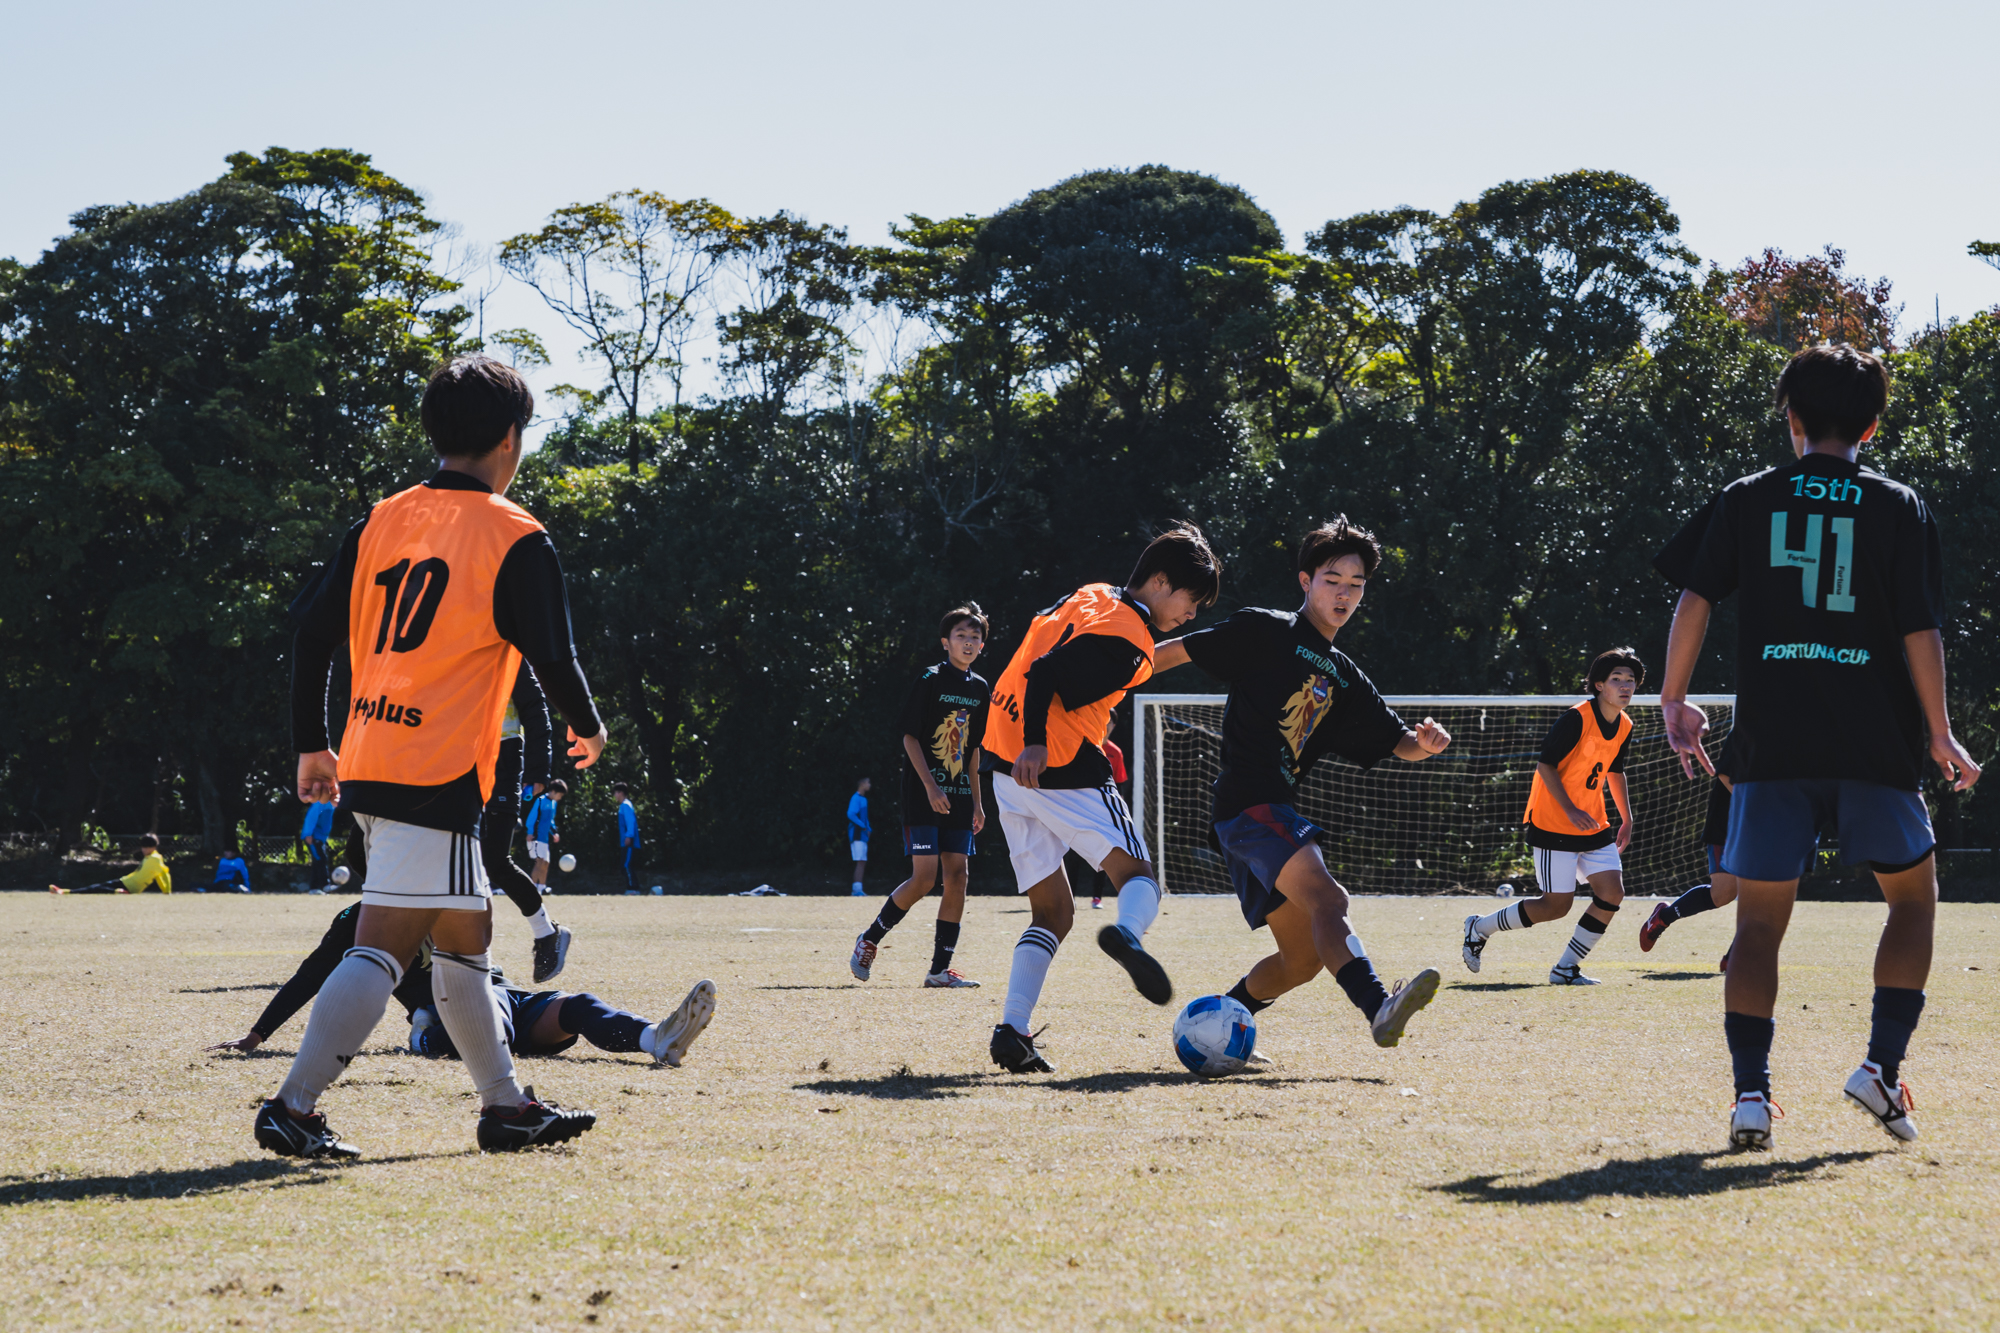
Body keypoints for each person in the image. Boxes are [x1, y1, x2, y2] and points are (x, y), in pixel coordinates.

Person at [257, 354, 607, 1159]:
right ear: (511, 437)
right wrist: (589, 726)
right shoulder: (514, 533)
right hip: (439, 769)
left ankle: (506, 1106)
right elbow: (553, 656)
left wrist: (313, 741)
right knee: (383, 944)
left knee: (465, 934)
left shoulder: (381, 518)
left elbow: (311, 633)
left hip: (371, 755)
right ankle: (293, 1106)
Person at [1656, 344, 1980, 1151]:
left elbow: (1695, 596)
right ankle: (1879, 1066)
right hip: (1874, 742)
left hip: (1775, 744)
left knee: (1759, 924)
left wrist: (1673, 698)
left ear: (1792, 417)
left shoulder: (1748, 496)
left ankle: (1751, 1096)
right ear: (1872, 425)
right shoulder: (1899, 504)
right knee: (1914, 901)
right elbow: (1921, 628)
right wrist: (1940, 730)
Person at [1153, 519, 1449, 1052]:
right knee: (1328, 898)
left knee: (1302, 960)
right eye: (1332, 580)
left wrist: (1424, 743)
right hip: (1250, 805)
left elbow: (1397, 742)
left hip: (1260, 816)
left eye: (1355, 584)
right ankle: (1379, 1006)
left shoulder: (1345, 677)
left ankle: (1211, 1026)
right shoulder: (1265, 630)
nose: (1343, 593)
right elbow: (1168, 654)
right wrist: (1094, 686)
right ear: (1305, 581)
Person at [982, 523, 1220, 1074]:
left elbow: (1051, 650)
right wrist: (1039, 741)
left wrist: (1197, 647)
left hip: (1004, 763)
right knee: (1138, 876)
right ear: (1160, 582)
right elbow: (1048, 672)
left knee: (1053, 912)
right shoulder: (1128, 640)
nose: (1191, 613)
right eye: (1191, 600)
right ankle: (1128, 934)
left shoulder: (1093, 595)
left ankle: (1012, 1031)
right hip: (1057, 763)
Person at [206, 901, 716, 1069]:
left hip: (503, 998)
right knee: (471, 1028)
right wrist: (257, 1035)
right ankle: (423, 1036)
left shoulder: (454, 891)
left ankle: (657, 1039)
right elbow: (310, 977)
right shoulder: (360, 919)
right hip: (456, 1014)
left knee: (578, 1006)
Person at [1461, 648, 1644, 985]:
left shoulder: (1625, 724)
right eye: (1616, 679)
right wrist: (1570, 809)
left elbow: (1615, 771)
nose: (1625, 686)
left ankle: (1566, 969)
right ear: (1599, 685)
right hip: (1553, 823)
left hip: (1593, 823)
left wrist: (1627, 819)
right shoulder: (1576, 718)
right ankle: (1479, 927)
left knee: (1612, 893)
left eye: (1630, 680)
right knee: (1555, 906)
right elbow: (1545, 766)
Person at [850, 604, 992, 988]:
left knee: (958, 876)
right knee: (925, 878)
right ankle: (869, 939)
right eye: (961, 636)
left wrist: (978, 802)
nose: (969, 642)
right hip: (923, 794)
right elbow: (909, 737)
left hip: (960, 796)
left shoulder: (981, 688)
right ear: (946, 642)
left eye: (975, 637)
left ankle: (938, 971)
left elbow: (973, 750)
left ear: (982, 645)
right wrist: (930, 786)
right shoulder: (930, 679)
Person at [482, 664, 570, 984]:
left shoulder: (506, 647)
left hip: (503, 758)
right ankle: (474, 958)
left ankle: (546, 933)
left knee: (493, 860)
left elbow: (534, 706)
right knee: (456, 860)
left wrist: (537, 770)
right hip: (457, 759)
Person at [1639, 762, 1740, 973]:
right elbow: (1724, 772)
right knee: (1722, 894)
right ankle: (1663, 917)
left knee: (1764, 891)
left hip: (1765, 826)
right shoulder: (1745, 740)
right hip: (1728, 824)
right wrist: (1756, 804)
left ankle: (1736, 958)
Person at [50, 832, 172, 894]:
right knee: (97, 887)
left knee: (97, 889)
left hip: (129, 886)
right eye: (143, 847)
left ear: (153, 847)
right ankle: (65, 891)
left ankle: (64, 892)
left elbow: (163, 874)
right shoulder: (149, 857)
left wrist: (167, 891)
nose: (143, 849)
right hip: (126, 882)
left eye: (146, 847)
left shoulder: (155, 859)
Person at [1089, 740, 1130, 910]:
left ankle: (1097, 897)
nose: (1107, 727)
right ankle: (1069, 897)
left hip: (1104, 812)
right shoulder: (1085, 745)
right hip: (1083, 808)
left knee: (1105, 851)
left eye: (1111, 725)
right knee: (1073, 856)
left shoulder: (1115, 751)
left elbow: (1119, 784)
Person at [526, 780, 565, 887]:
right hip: (536, 836)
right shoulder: (540, 800)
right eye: (560, 795)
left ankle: (541, 888)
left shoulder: (553, 803)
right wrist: (530, 832)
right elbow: (532, 817)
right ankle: (532, 888)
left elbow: (550, 821)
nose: (560, 797)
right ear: (553, 791)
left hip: (544, 838)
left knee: (546, 863)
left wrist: (554, 833)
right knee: (539, 862)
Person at [301, 798, 335, 892]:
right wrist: (308, 833)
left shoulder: (331, 804)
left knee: (318, 861)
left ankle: (314, 888)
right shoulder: (321, 802)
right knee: (321, 859)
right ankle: (325, 885)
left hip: (320, 838)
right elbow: (311, 817)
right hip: (313, 837)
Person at [846, 778, 872, 896]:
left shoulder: (863, 799)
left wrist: (868, 828)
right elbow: (851, 814)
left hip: (863, 835)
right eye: (867, 782)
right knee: (860, 861)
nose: (869, 785)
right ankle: (856, 890)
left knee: (862, 861)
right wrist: (863, 826)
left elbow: (864, 817)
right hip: (857, 834)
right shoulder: (855, 798)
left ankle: (858, 889)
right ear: (861, 784)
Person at [613, 783, 640, 892]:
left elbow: (630, 822)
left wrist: (629, 836)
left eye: (615, 793)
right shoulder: (624, 806)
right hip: (625, 842)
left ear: (620, 793)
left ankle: (633, 889)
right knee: (625, 866)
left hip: (630, 842)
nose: (615, 795)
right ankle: (633, 888)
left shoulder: (625, 805)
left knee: (626, 865)